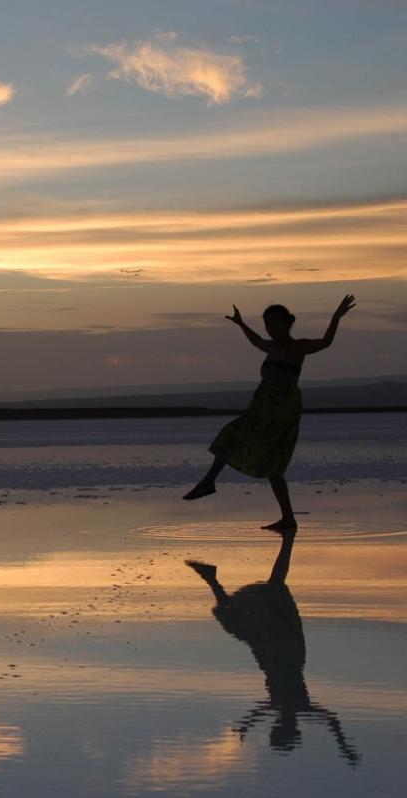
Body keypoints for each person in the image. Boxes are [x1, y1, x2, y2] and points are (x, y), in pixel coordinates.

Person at [185, 532, 361, 768]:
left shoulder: (281, 706)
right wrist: (344, 746)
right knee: (271, 592)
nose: (276, 725)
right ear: (288, 729)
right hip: (285, 651)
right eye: (278, 730)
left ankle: (213, 578)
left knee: (243, 613)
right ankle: (217, 577)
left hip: (271, 654)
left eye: (274, 730)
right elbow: (331, 720)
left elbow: (263, 710)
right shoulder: (300, 707)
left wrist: (247, 723)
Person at [183, 295, 356, 530]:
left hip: (282, 409)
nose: (270, 328)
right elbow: (256, 340)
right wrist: (241, 324)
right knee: (235, 437)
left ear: (286, 323)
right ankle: (286, 517)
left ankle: (209, 483)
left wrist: (336, 317)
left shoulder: (298, 347)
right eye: (267, 323)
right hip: (262, 405)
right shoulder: (271, 346)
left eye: (274, 323)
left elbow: (325, 342)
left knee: (270, 457)